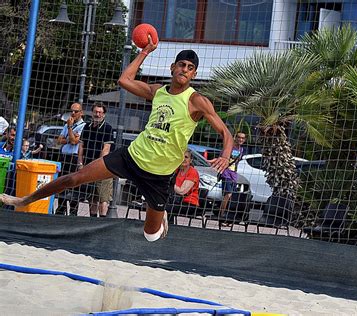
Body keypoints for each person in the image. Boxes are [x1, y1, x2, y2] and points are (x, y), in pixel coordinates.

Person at [0, 38, 233, 242]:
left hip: (159, 174)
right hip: (133, 156)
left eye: (190, 68)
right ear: (172, 68)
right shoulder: (157, 91)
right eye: (181, 65)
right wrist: (145, 51)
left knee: (150, 235)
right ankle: (24, 200)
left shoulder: (197, 101)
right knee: (74, 178)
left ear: (194, 74)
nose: (184, 69)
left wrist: (224, 155)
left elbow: (225, 133)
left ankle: (160, 218)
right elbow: (124, 80)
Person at [78, 102, 114, 218]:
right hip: (88, 167)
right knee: (92, 196)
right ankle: (92, 220)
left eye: (100, 112)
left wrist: (98, 166)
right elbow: (81, 146)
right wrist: (80, 163)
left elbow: (106, 149)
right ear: (92, 113)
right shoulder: (86, 127)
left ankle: (102, 221)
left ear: (104, 114)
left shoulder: (107, 128)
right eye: (95, 112)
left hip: (103, 168)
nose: (97, 114)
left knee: (103, 197)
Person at [55, 103, 86, 216]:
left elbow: (74, 142)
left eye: (76, 111)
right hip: (64, 156)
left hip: (73, 157)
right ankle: (61, 208)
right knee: (62, 182)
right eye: (71, 111)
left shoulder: (82, 125)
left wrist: (69, 129)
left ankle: (73, 211)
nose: (73, 113)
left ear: (81, 112)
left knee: (73, 183)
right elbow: (59, 140)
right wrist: (70, 136)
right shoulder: (68, 123)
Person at [219, 131, 246, 216]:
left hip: (233, 174)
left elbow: (237, 162)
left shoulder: (241, 149)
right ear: (235, 137)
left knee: (231, 195)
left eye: (242, 138)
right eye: (239, 137)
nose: (240, 139)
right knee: (228, 194)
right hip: (226, 173)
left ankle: (226, 213)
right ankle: (222, 214)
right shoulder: (229, 147)